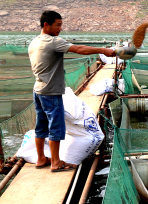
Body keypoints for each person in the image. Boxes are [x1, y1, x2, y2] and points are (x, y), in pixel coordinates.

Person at [28, 10, 116, 171]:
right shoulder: (52, 42)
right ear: (46, 25)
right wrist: (103, 50)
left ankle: (41, 158)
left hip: (38, 90)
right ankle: (56, 162)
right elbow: (79, 49)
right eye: (58, 25)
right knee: (56, 127)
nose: (60, 29)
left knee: (41, 126)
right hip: (51, 92)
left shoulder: (35, 41)